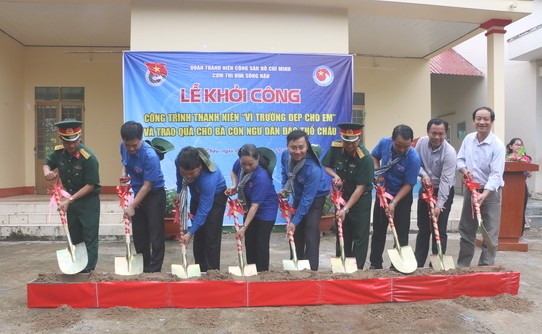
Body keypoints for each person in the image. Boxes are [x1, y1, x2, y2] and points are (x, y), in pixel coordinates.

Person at [43, 119, 101, 273]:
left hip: (88, 202)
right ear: (61, 139)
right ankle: (77, 267)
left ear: (79, 137)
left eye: (74, 141)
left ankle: (88, 270)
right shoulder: (59, 153)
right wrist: (47, 172)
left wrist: (69, 200)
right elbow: (47, 164)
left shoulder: (88, 158)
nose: (71, 145)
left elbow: (91, 185)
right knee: (75, 236)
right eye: (67, 142)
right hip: (71, 201)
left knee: (89, 236)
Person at [457, 106, 505, 267]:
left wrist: (484, 194)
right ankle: (463, 266)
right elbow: (460, 160)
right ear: (474, 121)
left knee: (490, 232)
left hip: (490, 193)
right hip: (471, 190)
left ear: (492, 122)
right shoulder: (468, 139)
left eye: (486, 119)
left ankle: (486, 267)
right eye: (478, 118)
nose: (482, 122)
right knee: (466, 229)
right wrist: (465, 170)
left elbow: (496, 174)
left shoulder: (497, 145)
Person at [321, 123, 374, 269]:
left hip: (361, 199)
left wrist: (345, 209)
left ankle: (356, 268)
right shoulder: (336, 148)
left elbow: (360, 187)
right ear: (342, 139)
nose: (349, 145)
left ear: (358, 140)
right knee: (342, 231)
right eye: (346, 141)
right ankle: (341, 265)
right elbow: (327, 166)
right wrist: (335, 175)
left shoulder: (365, 158)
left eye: (353, 142)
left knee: (359, 235)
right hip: (342, 195)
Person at [369, 124, 421, 270]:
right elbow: (374, 156)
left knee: (401, 231)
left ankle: (397, 265)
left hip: (402, 196)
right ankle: (375, 264)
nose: (402, 150)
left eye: (406, 146)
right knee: (378, 230)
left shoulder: (413, 158)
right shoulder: (384, 143)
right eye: (399, 146)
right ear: (392, 140)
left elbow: (409, 184)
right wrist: (377, 172)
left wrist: (394, 203)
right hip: (383, 192)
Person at [120, 121, 166, 273]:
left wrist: (132, 206)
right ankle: (142, 266)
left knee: (155, 233)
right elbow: (125, 163)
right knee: (139, 234)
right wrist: (124, 175)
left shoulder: (150, 156)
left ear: (141, 139)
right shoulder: (123, 148)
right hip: (137, 192)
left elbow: (148, 185)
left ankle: (154, 269)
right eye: (128, 145)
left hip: (154, 194)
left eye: (135, 145)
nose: (131, 149)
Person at [280, 130, 329, 271]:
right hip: (298, 194)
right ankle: (296, 263)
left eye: (301, 147)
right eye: (293, 147)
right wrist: (285, 188)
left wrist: (295, 221)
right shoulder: (285, 156)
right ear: (287, 146)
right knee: (295, 233)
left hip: (315, 197)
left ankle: (311, 269)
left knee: (310, 229)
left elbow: (307, 200)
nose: (297, 151)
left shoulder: (313, 169)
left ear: (307, 146)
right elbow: (285, 172)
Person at [225, 144, 278, 272]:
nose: (247, 167)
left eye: (251, 164)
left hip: (265, 210)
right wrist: (234, 185)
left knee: (260, 242)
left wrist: (244, 227)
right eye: (244, 164)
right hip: (249, 207)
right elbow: (233, 172)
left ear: (258, 159)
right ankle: (251, 270)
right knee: (249, 242)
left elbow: (256, 205)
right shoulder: (240, 163)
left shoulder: (261, 177)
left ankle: (262, 273)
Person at [176, 146, 227, 272]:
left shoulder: (209, 177)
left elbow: (203, 211)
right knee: (198, 237)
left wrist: (189, 233)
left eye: (192, 173)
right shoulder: (180, 162)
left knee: (210, 236)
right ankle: (199, 270)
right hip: (197, 195)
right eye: (184, 173)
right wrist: (179, 192)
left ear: (200, 167)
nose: (188, 177)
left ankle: (212, 272)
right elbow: (179, 177)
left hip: (215, 198)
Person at [414, 118, 456, 268]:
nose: (437, 137)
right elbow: (415, 163)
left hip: (443, 191)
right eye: (434, 133)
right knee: (423, 228)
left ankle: (436, 264)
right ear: (428, 132)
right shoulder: (421, 143)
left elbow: (446, 181)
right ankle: (418, 263)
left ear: (445, 134)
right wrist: (424, 175)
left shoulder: (450, 153)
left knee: (440, 227)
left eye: (441, 134)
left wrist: (439, 206)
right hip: (425, 189)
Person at [506, 137, 532, 235]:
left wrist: (522, 163)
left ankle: (518, 233)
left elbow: (529, 174)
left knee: (520, 209)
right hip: (507, 187)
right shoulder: (505, 157)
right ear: (511, 146)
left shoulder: (526, 159)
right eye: (517, 144)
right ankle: (506, 231)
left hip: (520, 186)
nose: (519, 146)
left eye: (520, 145)